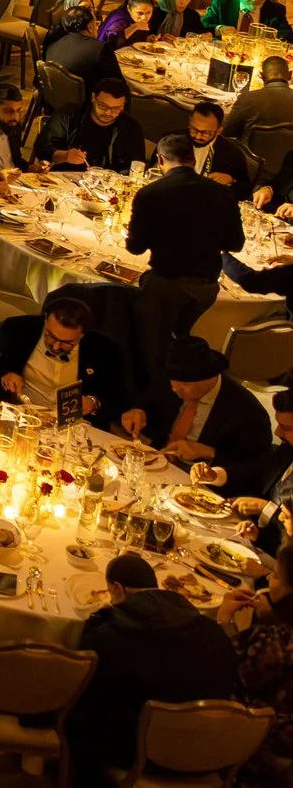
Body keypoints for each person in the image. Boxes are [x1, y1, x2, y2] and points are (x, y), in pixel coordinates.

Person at [71, 552, 240, 787]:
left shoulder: (113, 634)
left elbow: (85, 684)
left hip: (139, 756)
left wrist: (94, 624)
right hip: (203, 754)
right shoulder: (211, 631)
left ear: (118, 589)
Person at [129, 130, 246, 349]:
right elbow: (235, 244)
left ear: (160, 159)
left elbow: (135, 248)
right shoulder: (224, 194)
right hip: (207, 291)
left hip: (164, 287)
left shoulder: (150, 193)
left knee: (146, 339)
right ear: (193, 161)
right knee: (182, 341)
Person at [118, 337, 276, 495]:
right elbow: (146, 402)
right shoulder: (173, 382)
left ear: (210, 377)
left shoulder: (247, 411)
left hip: (199, 487)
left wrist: (209, 452)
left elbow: (254, 465)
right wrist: (137, 412)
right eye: (173, 381)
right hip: (154, 466)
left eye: (185, 385)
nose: (175, 389)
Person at [0, 294, 128, 421]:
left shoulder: (104, 349)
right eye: (50, 336)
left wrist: (94, 402)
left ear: (82, 334)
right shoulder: (16, 329)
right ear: (45, 320)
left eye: (66, 343)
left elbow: (117, 396)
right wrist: (4, 375)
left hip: (70, 427)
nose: (56, 346)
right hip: (18, 413)